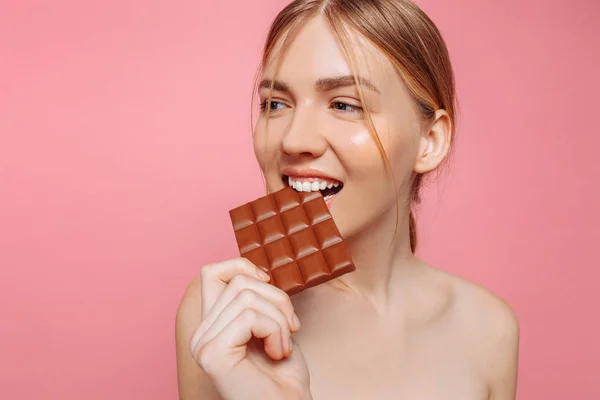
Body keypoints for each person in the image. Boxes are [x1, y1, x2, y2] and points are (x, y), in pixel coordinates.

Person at [176, 0, 520, 398]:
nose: (293, 140)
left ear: (430, 140)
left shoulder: (489, 328)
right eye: (275, 104)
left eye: (344, 104)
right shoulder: (222, 312)